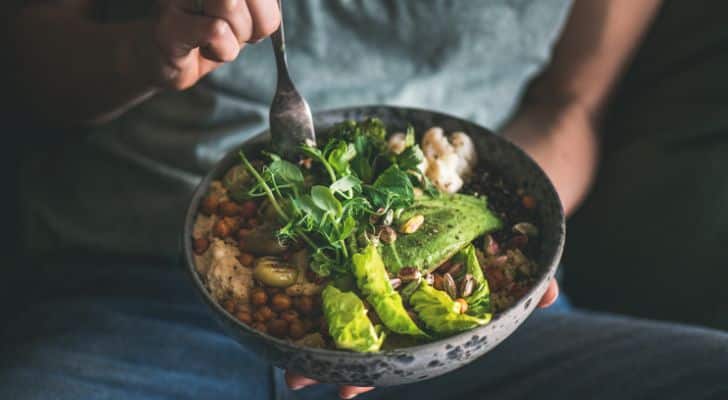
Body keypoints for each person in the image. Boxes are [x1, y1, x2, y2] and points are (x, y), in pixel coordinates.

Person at [2, 1, 727, 399]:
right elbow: (32, 73)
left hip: (471, 336)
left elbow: (574, 103)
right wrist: (148, 49)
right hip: (139, 290)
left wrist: (502, 259)